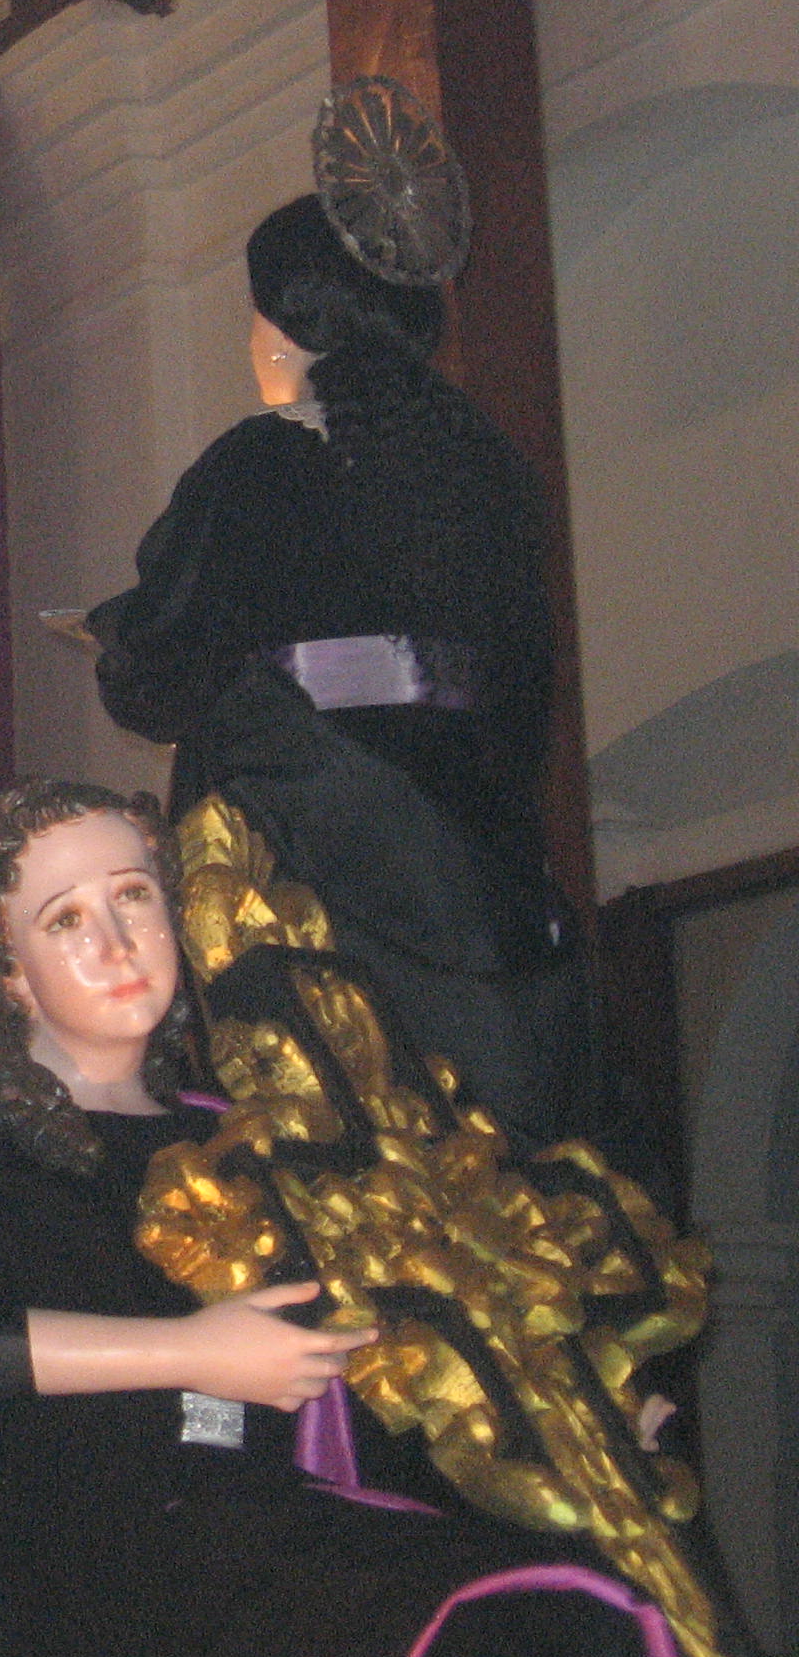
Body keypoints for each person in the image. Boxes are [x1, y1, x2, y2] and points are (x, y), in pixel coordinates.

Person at [0, 779, 683, 1657]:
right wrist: (193, 1353)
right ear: (4, 969)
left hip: (275, 1519)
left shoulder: (258, 1142)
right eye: (65, 918)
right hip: (78, 1551)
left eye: (134, 895)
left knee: (572, 1621)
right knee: (464, 1630)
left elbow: (391, 1365)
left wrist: (561, 1416)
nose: (116, 942)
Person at [84, 194, 616, 1165]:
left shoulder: (257, 469)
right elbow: (524, 680)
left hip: (315, 848)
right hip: (477, 859)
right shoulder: (488, 478)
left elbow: (159, 670)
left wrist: (114, 637)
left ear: (289, 327)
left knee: (338, 1142)